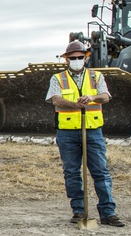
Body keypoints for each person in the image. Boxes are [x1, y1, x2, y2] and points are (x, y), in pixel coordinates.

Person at [46, 40, 124, 226]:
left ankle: (108, 212)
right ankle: (79, 211)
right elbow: (55, 99)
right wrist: (75, 105)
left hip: (92, 131)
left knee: (100, 172)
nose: (77, 60)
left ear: (86, 58)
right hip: (67, 133)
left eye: (80, 57)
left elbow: (105, 96)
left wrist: (91, 98)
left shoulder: (96, 77)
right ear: (66, 59)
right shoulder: (58, 78)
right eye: (73, 58)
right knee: (72, 172)